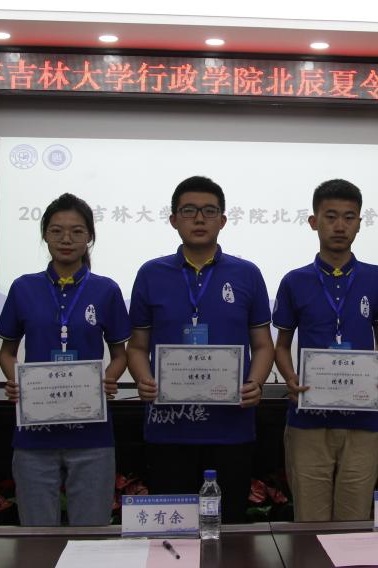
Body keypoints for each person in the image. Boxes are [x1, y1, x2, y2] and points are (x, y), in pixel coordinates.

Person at [126, 175, 274, 523]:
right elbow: (137, 346)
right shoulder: (150, 274)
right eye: (189, 210)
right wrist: (143, 378)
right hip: (168, 428)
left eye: (209, 211)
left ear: (223, 220)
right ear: (173, 219)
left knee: (227, 526)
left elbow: (262, 344)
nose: (199, 219)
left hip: (231, 428)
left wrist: (255, 383)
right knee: (172, 529)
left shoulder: (247, 274)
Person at [0, 193, 130, 526]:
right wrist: (15, 379)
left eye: (76, 231)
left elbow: (120, 355)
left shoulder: (106, 290)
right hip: (34, 433)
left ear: (90, 237)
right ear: (45, 235)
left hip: (92, 433)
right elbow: (7, 352)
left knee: (91, 534)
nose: (66, 239)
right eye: (56, 231)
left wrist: (109, 379)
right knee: (37, 534)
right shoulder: (23, 288)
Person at [273, 179, 378, 521]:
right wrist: (290, 378)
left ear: (359, 223)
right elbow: (281, 346)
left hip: (363, 420)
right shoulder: (294, 281)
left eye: (349, 217)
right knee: (310, 521)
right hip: (307, 421)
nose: (340, 226)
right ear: (314, 222)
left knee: (353, 522)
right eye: (330, 217)